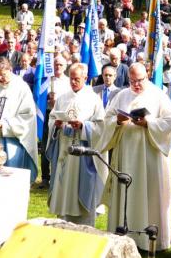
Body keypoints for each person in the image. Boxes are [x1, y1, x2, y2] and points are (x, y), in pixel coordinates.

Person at [96, 63, 171, 252]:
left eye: (139, 80)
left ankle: (150, 241)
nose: (136, 84)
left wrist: (148, 123)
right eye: (132, 81)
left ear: (146, 75)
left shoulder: (159, 96)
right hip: (126, 156)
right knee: (126, 193)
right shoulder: (122, 95)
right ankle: (124, 236)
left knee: (149, 194)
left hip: (150, 156)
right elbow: (106, 120)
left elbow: (170, 122)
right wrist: (117, 121)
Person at [46, 63, 107, 226]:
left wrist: (82, 126)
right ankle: (62, 222)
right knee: (63, 187)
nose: (73, 82)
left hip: (82, 152)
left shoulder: (94, 99)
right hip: (64, 151)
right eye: (71, 79)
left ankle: (84, 225)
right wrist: (56, 125)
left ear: (85, 78)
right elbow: (52, 119)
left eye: (77, 79)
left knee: (80, 189)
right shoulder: (62, 98)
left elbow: (101, 127)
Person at [36, 56, 72, 190]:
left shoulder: (68, 82)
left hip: (62, 117)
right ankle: (45, 177)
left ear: (65, 66)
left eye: (61, 65)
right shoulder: (47, 81)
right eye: (56, 64)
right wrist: (47, 100)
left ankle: (59, 175)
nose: (58, 67)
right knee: (45, 145)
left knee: (61, 145)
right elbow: (39, 98)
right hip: (47, 115)